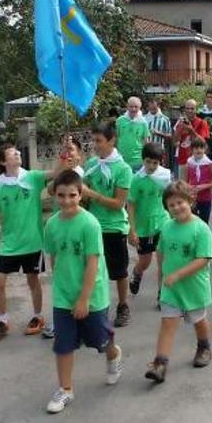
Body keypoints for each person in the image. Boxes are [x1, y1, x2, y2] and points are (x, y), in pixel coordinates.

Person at [43, 170, 123, 414]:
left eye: (72, 195)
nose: (66, 200)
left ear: (81, 195)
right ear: (54, 195)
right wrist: (60, 287)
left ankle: (114, 354)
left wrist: (84, 298)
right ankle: (65, 389)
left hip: (92, 296)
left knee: (99, 341)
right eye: (61, 195)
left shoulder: (90, 224)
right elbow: (53, 256)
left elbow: (93, 263)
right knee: (63, 344)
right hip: (63, 296)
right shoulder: (52, 224)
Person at [0, 143, 54, 342]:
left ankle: (37, 317)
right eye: (12, 153)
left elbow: (55, 172)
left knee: (33, 280)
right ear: (3, 162)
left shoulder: (32, 178)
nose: (17, 153)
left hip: (32, 241)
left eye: (17, 151)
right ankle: (3, 320)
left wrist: (66, 153)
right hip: (9, 244)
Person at [145, 181, 212, 382]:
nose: (176, 207)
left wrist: (178, 275)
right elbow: (161, 253)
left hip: (193, 287)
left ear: (190, 200)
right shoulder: (166, 227)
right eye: (171, 205)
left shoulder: (201, 229)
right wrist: (162, 279)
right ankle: (160, 364)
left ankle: (204, 347)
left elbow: (203, 259)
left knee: (198, 319)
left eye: (179, 202)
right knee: (167, 322)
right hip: (171, 288)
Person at [82, 121, 134, 328]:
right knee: (92, 271)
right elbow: (85, 197)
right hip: (92, 225)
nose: (95, 145)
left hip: (113, 226)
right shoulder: (90, 165)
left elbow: (118, 203)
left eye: (99, 141)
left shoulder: (123, 169)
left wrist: (91, 194)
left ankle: (123, 305)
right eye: (93, 140)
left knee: (118, 271)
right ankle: (95, 307)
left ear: (112, 140)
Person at [127, 143, 172, 304]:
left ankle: (162, 295)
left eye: (155, 163)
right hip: (143, 227)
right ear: (143, 160)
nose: (152, 166)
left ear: (160, 162)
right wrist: (132, 230)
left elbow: (171, 199)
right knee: (145, 262)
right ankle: (137, 273)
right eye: (148, 162)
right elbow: (130, 206)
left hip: (162, 223)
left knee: (163, 262)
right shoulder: (136, 180)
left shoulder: (165, 176)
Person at [173, 99, 211, 180]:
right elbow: (175, 142)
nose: (190, 111)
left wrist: (191, 130)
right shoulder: (181, 121)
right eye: (187, 108)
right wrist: (179, 129)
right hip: (183, 160)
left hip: (197, 160)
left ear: (196, 109)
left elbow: (203, 142)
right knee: (183, 189)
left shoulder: (202, 123)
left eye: (192, 108)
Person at [186, 136, 212, 225]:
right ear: (192, 149)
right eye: (196, 148)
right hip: (192, 198)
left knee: (204, 223)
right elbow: (185, 181)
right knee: (192, 223)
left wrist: (203, 186)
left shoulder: (209, 164)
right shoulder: (189, 162)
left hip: (205, 198)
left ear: (205, 149)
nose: (198, 150)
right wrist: (189, 189)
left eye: (201, 147)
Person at [116, 96, 150, 170]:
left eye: (136, 107)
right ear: (127, 107)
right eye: (131, 106)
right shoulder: (120, 120)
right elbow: (115, 138)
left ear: (139, 107)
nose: (133, 109)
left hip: (138, 160)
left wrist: (146, 158)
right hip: (122, 159)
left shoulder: (143, 122)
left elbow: (146, 141)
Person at [144, 97, 173, 165]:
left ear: (158, 106)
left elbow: (170, 135)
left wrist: (158, 133)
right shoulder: (143, 118)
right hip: (146, 150)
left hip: (158, 150)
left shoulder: (165, 119)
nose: (152, 110)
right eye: (150, 108)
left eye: (154, 108)